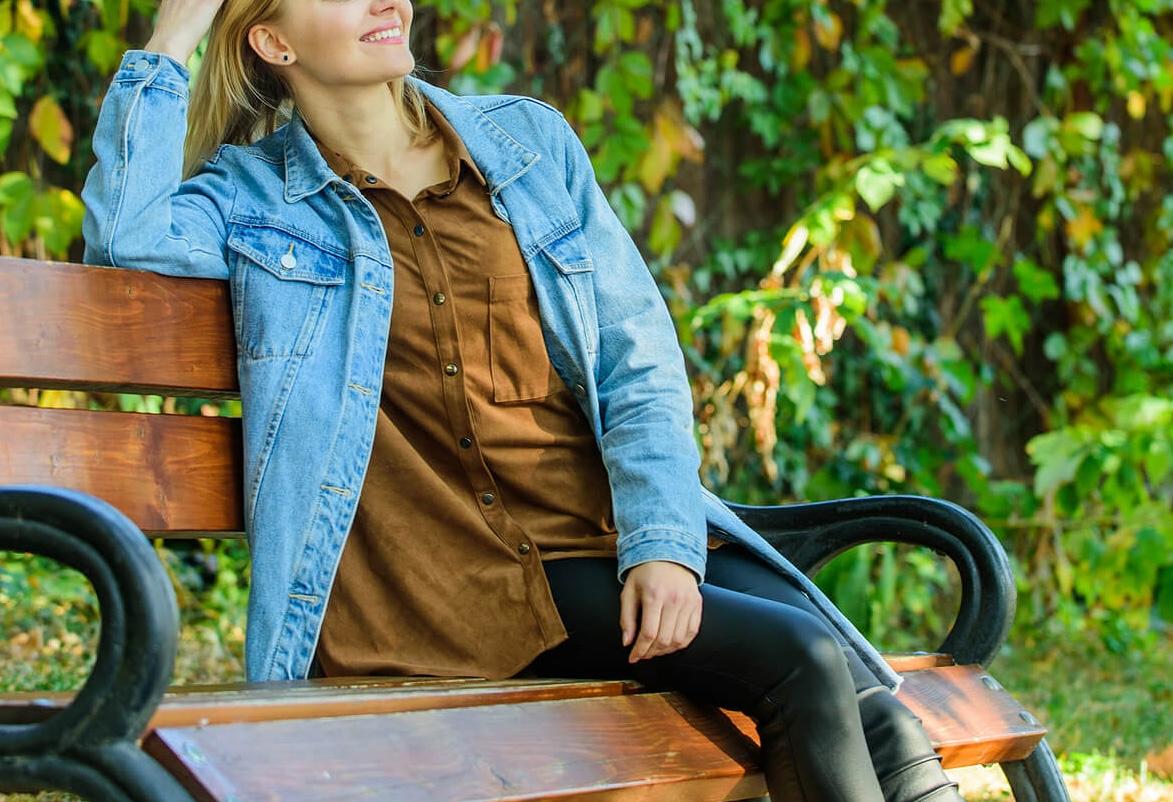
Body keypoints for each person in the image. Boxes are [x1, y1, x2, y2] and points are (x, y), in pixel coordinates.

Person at [80, 1, 964, 799]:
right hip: (457, 586)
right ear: (272, 41)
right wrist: (174, 34)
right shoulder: (253, 200)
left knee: (872, 704)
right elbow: (125, 236)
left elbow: (636, 357)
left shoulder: (525, 144)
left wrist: (661, 544)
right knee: (798, 660)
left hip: (604, 531)